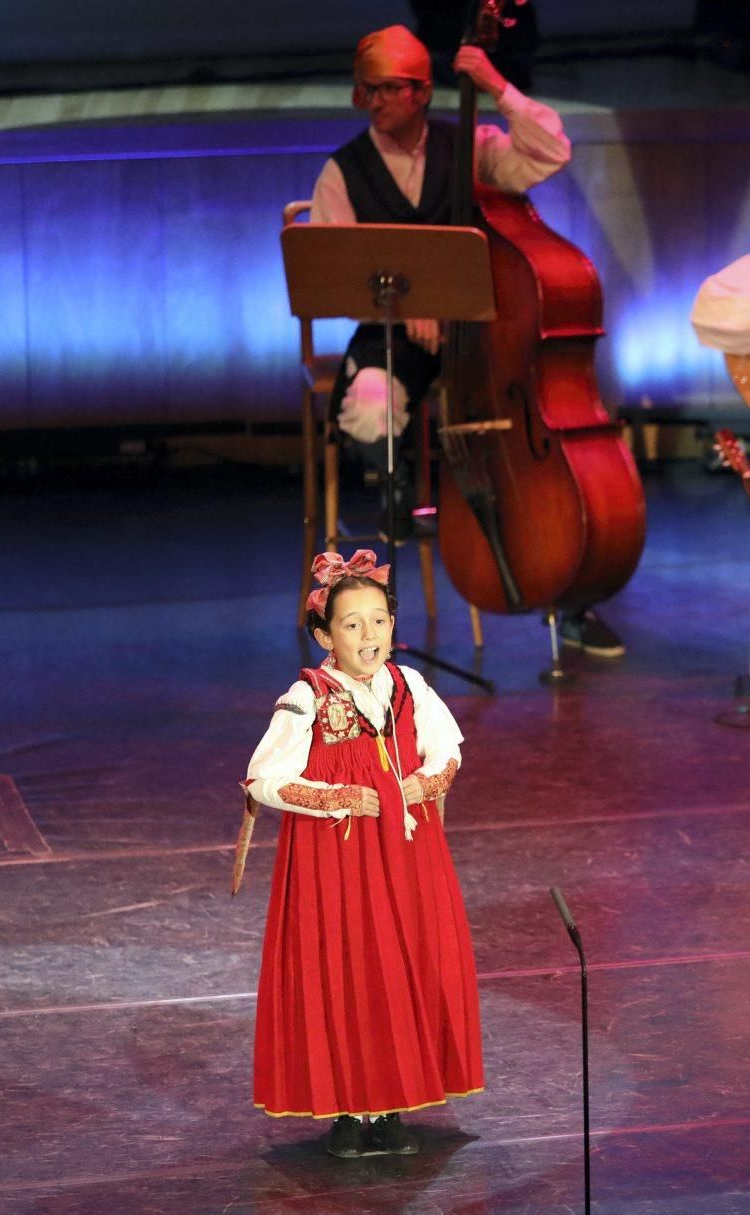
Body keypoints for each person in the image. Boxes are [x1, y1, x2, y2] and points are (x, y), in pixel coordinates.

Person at [310, 24, 625, 659]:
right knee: (371, 403)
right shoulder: (343, 171)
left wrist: (496, 87)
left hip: (483, 346)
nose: (374, 101)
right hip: (394, 338)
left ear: (423, 93)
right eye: (366, 90)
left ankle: (568, 591)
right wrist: (406, 310)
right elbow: (332, 280)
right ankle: (396, 504)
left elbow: (549, 153)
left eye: (388, 89)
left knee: (536, 448)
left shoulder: (471, 146)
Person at [241, 548, 483, 1157]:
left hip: (407, 856)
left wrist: (427, 783)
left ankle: (393, 1105)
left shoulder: (409, 685)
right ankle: (349, 1107)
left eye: (379, 620)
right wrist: (341, 797)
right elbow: (263, 778)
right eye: (352, 624)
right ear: (324, 635)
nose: (368, 635)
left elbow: (447, 746)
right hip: (339, 863)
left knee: (405, 965)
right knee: (349, 971)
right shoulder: (308, 698)